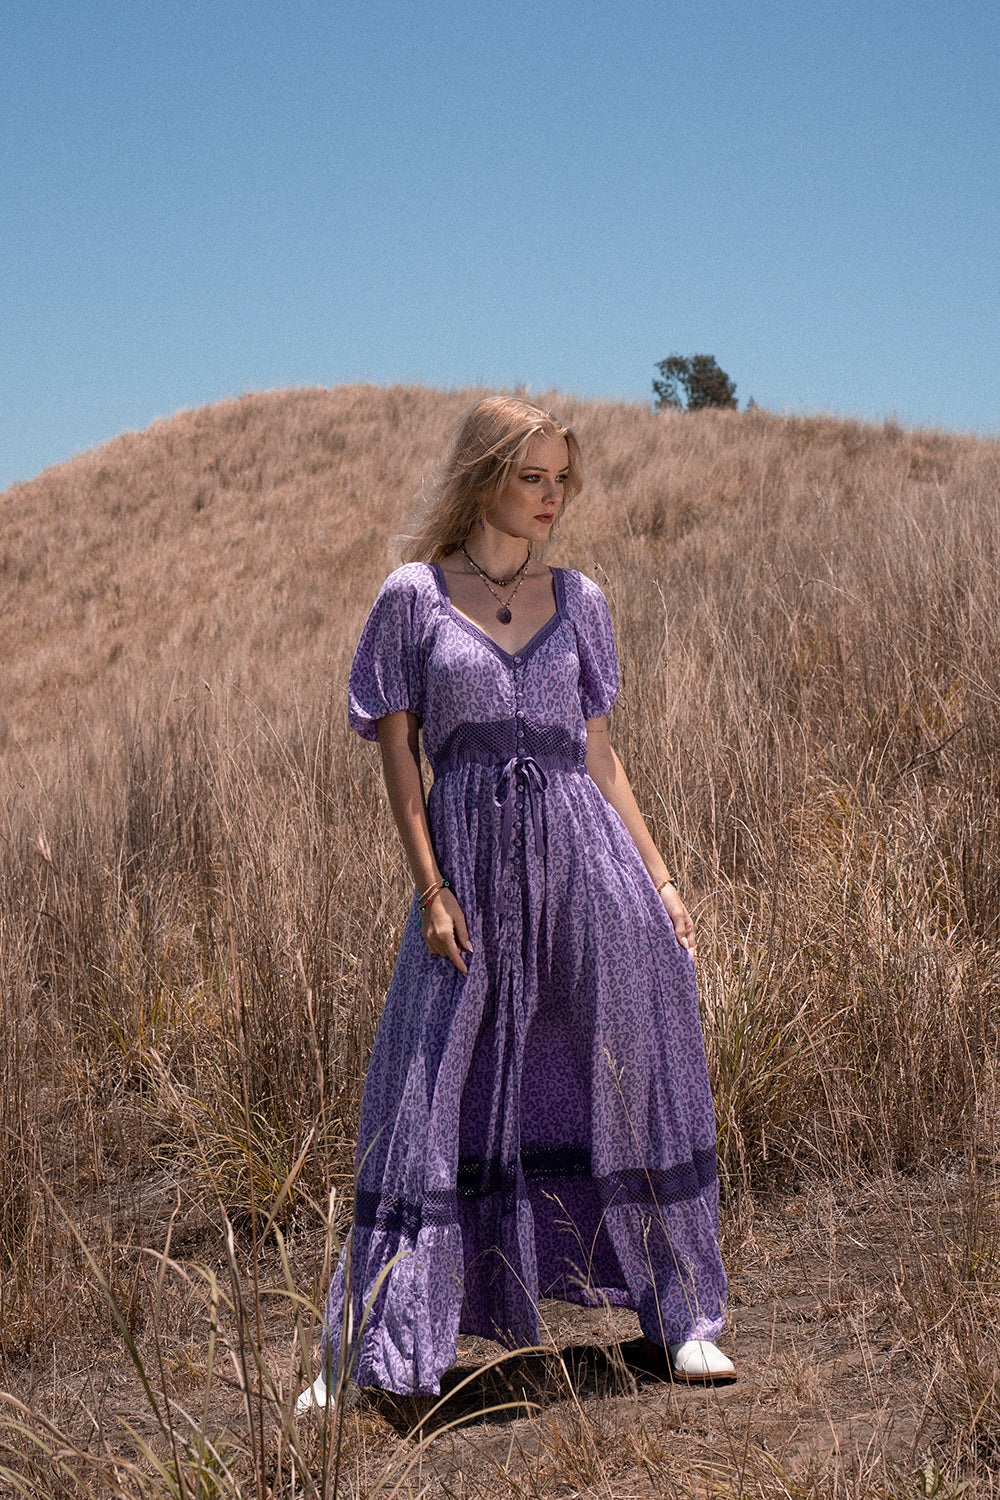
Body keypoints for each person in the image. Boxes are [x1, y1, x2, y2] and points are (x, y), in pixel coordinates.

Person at [297, 396, 732, 1411]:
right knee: (429, 1083)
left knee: (637, 1061)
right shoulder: (412, 596)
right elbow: (400, 762)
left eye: (561, 480)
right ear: (484, 475)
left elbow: (601, 758)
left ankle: (684, 1317)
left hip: (587, 857)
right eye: (532, 476)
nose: (551, 497)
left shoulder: (581, 599)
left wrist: (662, 881)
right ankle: (362, 1338)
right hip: (471, 870)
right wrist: (431, 888)